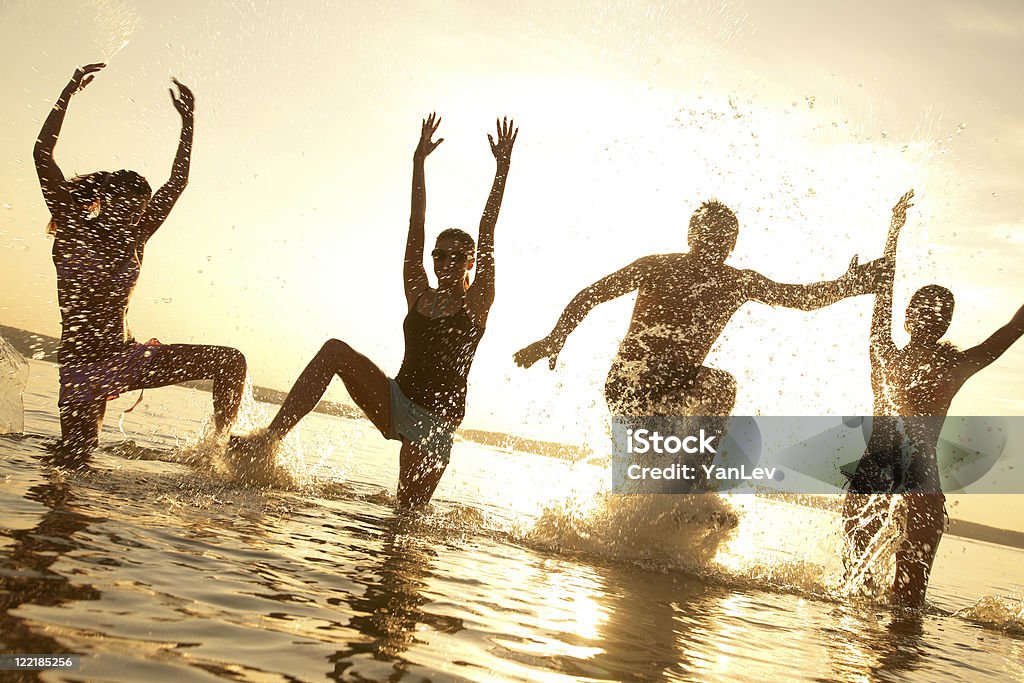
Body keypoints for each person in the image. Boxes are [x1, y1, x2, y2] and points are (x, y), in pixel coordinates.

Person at [232, 114, 517, 507]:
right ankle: (269, 440)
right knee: (334, 351)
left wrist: (502, 168)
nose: (445, 262)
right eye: (439, 255)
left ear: (471, 263)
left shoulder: (476, 303)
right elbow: (415, 226)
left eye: (456, 257)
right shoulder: (419, 293)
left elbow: (487, 229)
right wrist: (419, 162)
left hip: (434, 425)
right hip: (396, 399)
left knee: (405, 521)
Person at [514, 199, 880, 477]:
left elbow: (798, 298)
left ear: (732, 244)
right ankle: (667, 490)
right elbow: (592, 294)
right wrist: (555, 337)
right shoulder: (657, 266)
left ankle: (685, 487)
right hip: (631, 381)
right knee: (662, 447)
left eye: (724, 237)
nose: (715, 241)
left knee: (718, 387)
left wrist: (849, 286)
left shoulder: (736, 282)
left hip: (679, 385)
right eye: (707, 233)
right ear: (691, 235)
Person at [35, 63, 247, 461]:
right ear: (106, 202)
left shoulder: (136, 236)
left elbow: (177, 183)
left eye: (140, 211)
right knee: (74, 463)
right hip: (81, 368)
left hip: (127, 357)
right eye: (127, 209)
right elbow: (42, 154)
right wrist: (68, 93)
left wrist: (189, 124)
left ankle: (219, 454)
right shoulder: (74, 227)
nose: (134, 218)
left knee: (231, 361)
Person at [843, 190, 1024, 607]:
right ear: (908, 317)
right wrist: (892, 232)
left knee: (907, 602)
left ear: (945, 324)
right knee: (855, 595)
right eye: (923, 309)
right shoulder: (883, 353)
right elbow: (882, 286)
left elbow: (1013, 330)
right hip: (876, 476)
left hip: (918, 482)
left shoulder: (955, 365)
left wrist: (893, 233)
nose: (930, 316)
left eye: (938, 312)